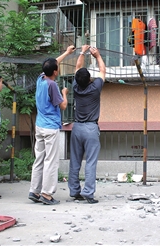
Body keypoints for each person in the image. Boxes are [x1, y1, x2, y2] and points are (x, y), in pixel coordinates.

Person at [28, 45, 75, 205]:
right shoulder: (52, 86)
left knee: (39, 159)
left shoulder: (40, 79)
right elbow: (62, 106)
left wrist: (67, 53)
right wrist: (64, 94)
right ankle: (46, 194)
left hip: (39, 126)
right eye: (57, 68)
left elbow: (54, 62)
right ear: (55, 72)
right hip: (50, 128)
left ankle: (34, 191)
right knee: (51, 161)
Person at [68, 45, 106, 204]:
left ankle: (74, 191)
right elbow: (103, 71)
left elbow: (77, 67)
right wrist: (97, 56)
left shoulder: (76, 88)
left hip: (76, 127)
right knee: (90, 162)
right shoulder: (95, 88)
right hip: (91, 128)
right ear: (90, 78)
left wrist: (82, 52)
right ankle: (88, 194)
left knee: (75, 161)